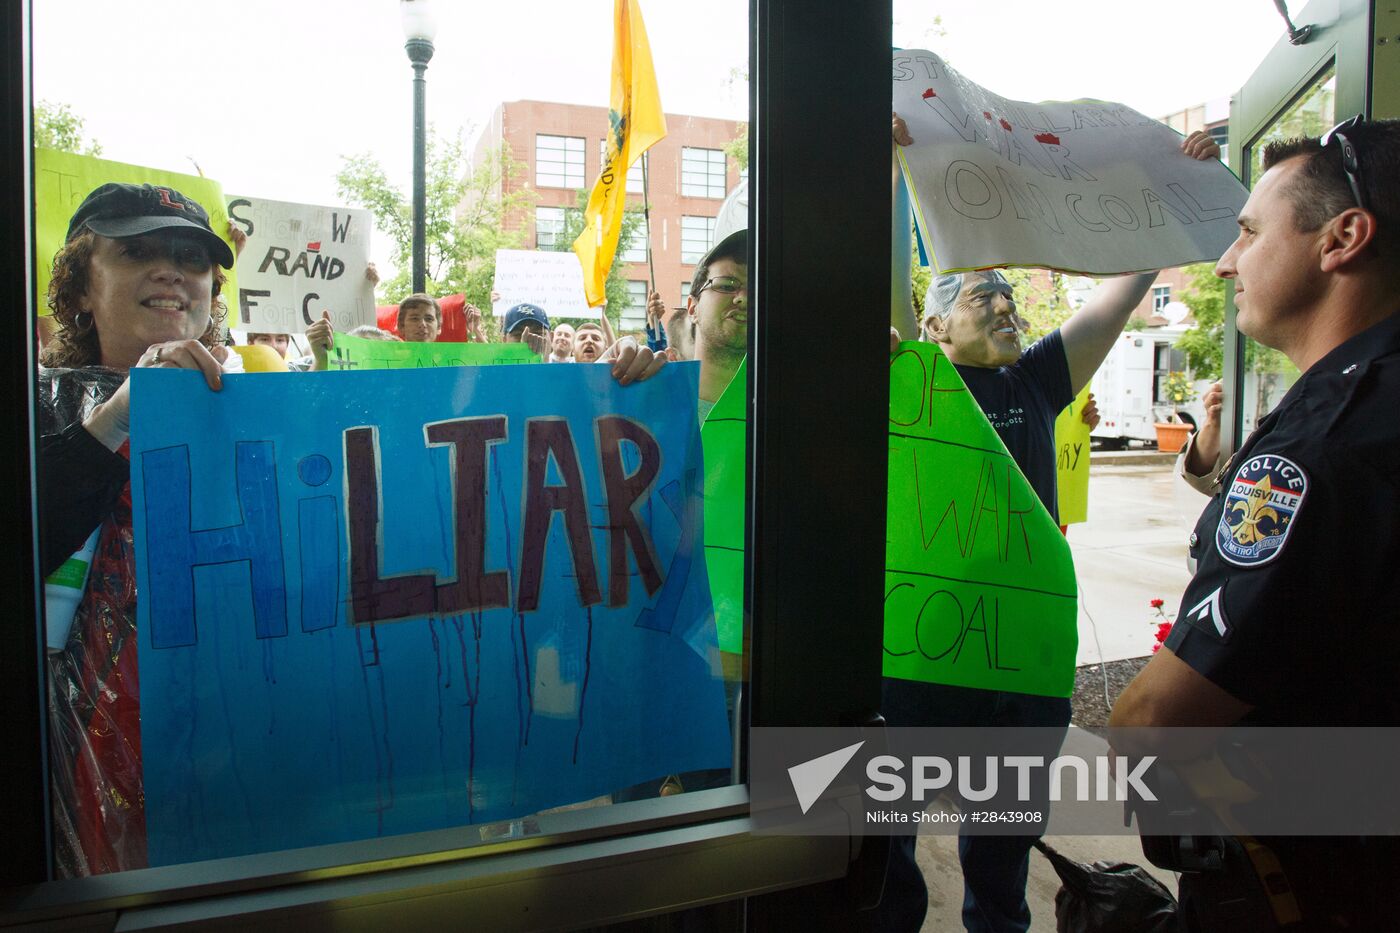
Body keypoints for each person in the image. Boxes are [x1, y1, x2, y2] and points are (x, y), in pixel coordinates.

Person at [871, 115, 1222, 933]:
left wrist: (1181, 192)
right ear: (934, 325)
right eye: (978, 295)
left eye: (1009, 296)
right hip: (915, 666)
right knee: (884, 846)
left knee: (1001, 848)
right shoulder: (909, 382)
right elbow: (883, 281)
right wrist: (889, 172)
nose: (1003, 305)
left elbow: (1125, 290)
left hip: (1016, 674)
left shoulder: (1036, 382)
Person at [1110, 117, 1400, 931]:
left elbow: (1156, 722)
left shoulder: (1320, 446)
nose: (1228, 260)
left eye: (1247, 232)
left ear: (1342, 238)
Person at [37, 182, 234, 876]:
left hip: (230, 746)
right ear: (81, 287)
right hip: (74, 791)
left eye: (191, 257)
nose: (171, 270)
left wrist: (589, 406)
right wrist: (120, 411)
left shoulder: (256, 411)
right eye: (139, 251)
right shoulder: (37, 406)